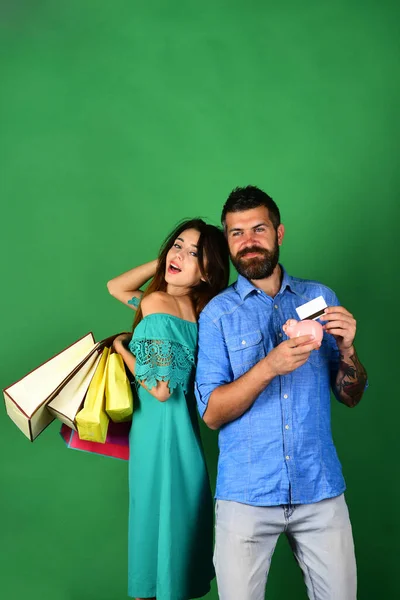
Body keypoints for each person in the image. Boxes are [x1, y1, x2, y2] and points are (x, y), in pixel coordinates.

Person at [195, 186, 368, 600]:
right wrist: (269, 367)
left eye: (258, 228)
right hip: (246, 495)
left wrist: (347, 348)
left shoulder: (319, 298)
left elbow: (351, 395)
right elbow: (213, 414)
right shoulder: (218, 314)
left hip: (319, 489)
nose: (248, 241)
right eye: (236, 233)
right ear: (228, 241)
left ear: (279, 232)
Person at [107, 218, 230, 600]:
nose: (179, 255)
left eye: (194, 254)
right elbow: (118, 288)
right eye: (177, 245)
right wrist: (167, 262)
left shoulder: (156, 303)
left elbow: (160, 390)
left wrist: (121, 350)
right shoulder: (199, 314)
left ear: (208, 271)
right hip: (184, 437)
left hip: (157, 434)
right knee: (173, 536)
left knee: (151, 527)